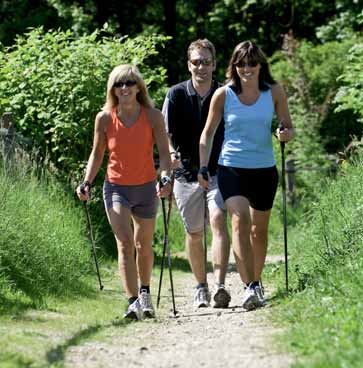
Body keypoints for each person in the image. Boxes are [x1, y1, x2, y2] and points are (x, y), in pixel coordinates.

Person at [198, 41, 294, 310]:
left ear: (261, 65)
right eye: (241, 64)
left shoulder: (274, 92)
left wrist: (284, 133)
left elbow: (288, 126)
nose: (247, 68)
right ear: (234, 66)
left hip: (264, 168)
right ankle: (249, 285)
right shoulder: (223, 94)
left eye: (252, 63)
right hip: (232, 167)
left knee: (258, 231)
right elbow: (207, 134)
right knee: (239, 221)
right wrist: (204, 167)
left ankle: (257, 280)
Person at [76, 64, 171, 320]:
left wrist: (165, 177)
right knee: (125, 242)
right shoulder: (105, 118)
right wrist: (86, 182)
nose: (125, 88)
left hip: (146, 188)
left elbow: (163, 152)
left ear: (139, 86)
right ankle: (132, 302)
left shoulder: (152, 116)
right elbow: (97, 154)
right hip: (116, 187)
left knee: (144, 245)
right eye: (119, 84)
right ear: (113, 89)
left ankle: (145, 292)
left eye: (129, 83)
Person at [162, 39, 231, 308]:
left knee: (218, 220)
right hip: (185, 173)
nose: (201, 67)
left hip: (219, 171)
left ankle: (220, 286)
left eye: (206, 61)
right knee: (194, 232)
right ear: (188, 64)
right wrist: (170, 155)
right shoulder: (175, 94)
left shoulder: (225, 94)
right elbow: (164, 134)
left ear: (214, 64)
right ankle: (200, 286)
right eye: (196, 62)